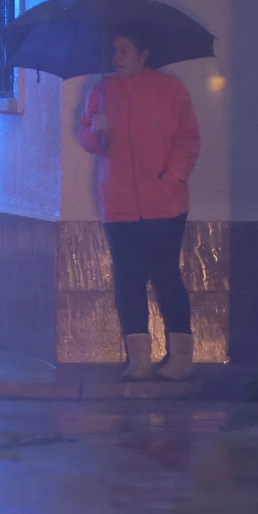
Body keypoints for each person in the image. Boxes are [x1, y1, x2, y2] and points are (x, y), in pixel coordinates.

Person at [77, 28, 202, 381]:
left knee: (165, 275)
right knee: (128, 278)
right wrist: (95, 132)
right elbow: (89, 138)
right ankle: (139, 359)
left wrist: (172, 176)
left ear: (144, 54)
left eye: (125, 50)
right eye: (114, 50)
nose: (117, 58)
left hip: (164, 202)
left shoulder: (170, 90)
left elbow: (187, 137)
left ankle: (180, 358)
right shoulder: (101, 92)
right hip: (118, 203)